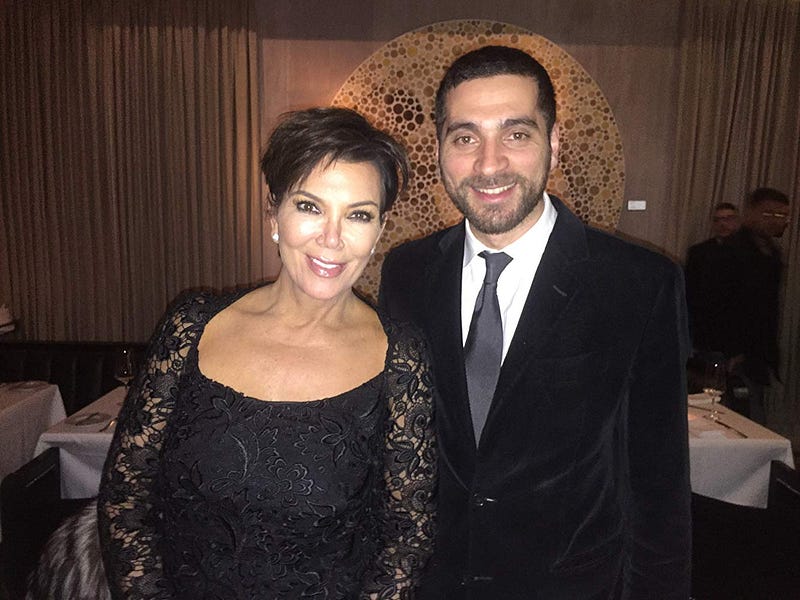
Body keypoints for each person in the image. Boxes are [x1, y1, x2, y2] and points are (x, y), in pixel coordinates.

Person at [379, 46, 691, 599]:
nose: (489, 164)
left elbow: (658, 486)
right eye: (465, 137)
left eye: (516, 134)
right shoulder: (406, 272)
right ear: (440, 149)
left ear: (554, 143)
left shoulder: (637, 284)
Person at [98, 107, 437, 599]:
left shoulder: (400, 359)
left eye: (358, 215)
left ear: (379, 230)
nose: (332, 238)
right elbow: (126, 496)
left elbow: (407, 537)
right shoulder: (191, 327)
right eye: (310, 207)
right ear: (273, 213)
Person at [722, 187, 791, 422]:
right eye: (769, 214)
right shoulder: (732, 250)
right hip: (734, 352)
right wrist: (732, 351)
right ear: (751, 212)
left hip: (758, 352)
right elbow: (720, 304)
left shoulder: (772, 254)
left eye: (782, 216)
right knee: (743, 419)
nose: (776, 221)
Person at [685, 202, 741, 356]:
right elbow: (690, 290)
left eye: (727, 219)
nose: (722, 224)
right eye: (717, 220)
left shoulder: (748, 253)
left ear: (736, 221)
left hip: (735, 328)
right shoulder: (698, 252)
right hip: (704, 326)